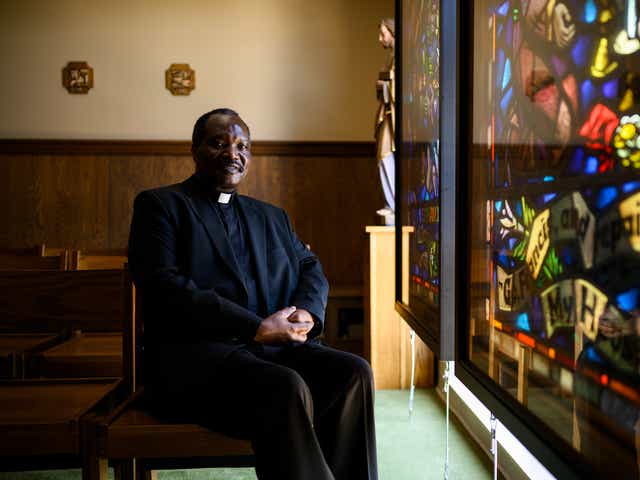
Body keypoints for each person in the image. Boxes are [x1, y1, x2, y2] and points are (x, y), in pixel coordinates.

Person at [128, 108, 378, 480]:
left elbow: (310, 266)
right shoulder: (161, 206)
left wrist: (308, 312)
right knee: (285, 386)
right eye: (218, 143)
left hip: (272, 353)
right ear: (194, 150)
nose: (233, 153)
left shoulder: (271, 216)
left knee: (354, 372)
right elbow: (164, 287)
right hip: (199, 359)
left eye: (242, 145)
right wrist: (255, 328)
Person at [375, 18, 396, 225]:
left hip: (392, 117)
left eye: (383, 33)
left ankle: (394, 205)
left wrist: (385, 84)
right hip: (387, 114)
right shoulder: (391, 57)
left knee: (386, 156)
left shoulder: (400, 58)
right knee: (383, 157)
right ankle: (391, 204)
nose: (380, 38)